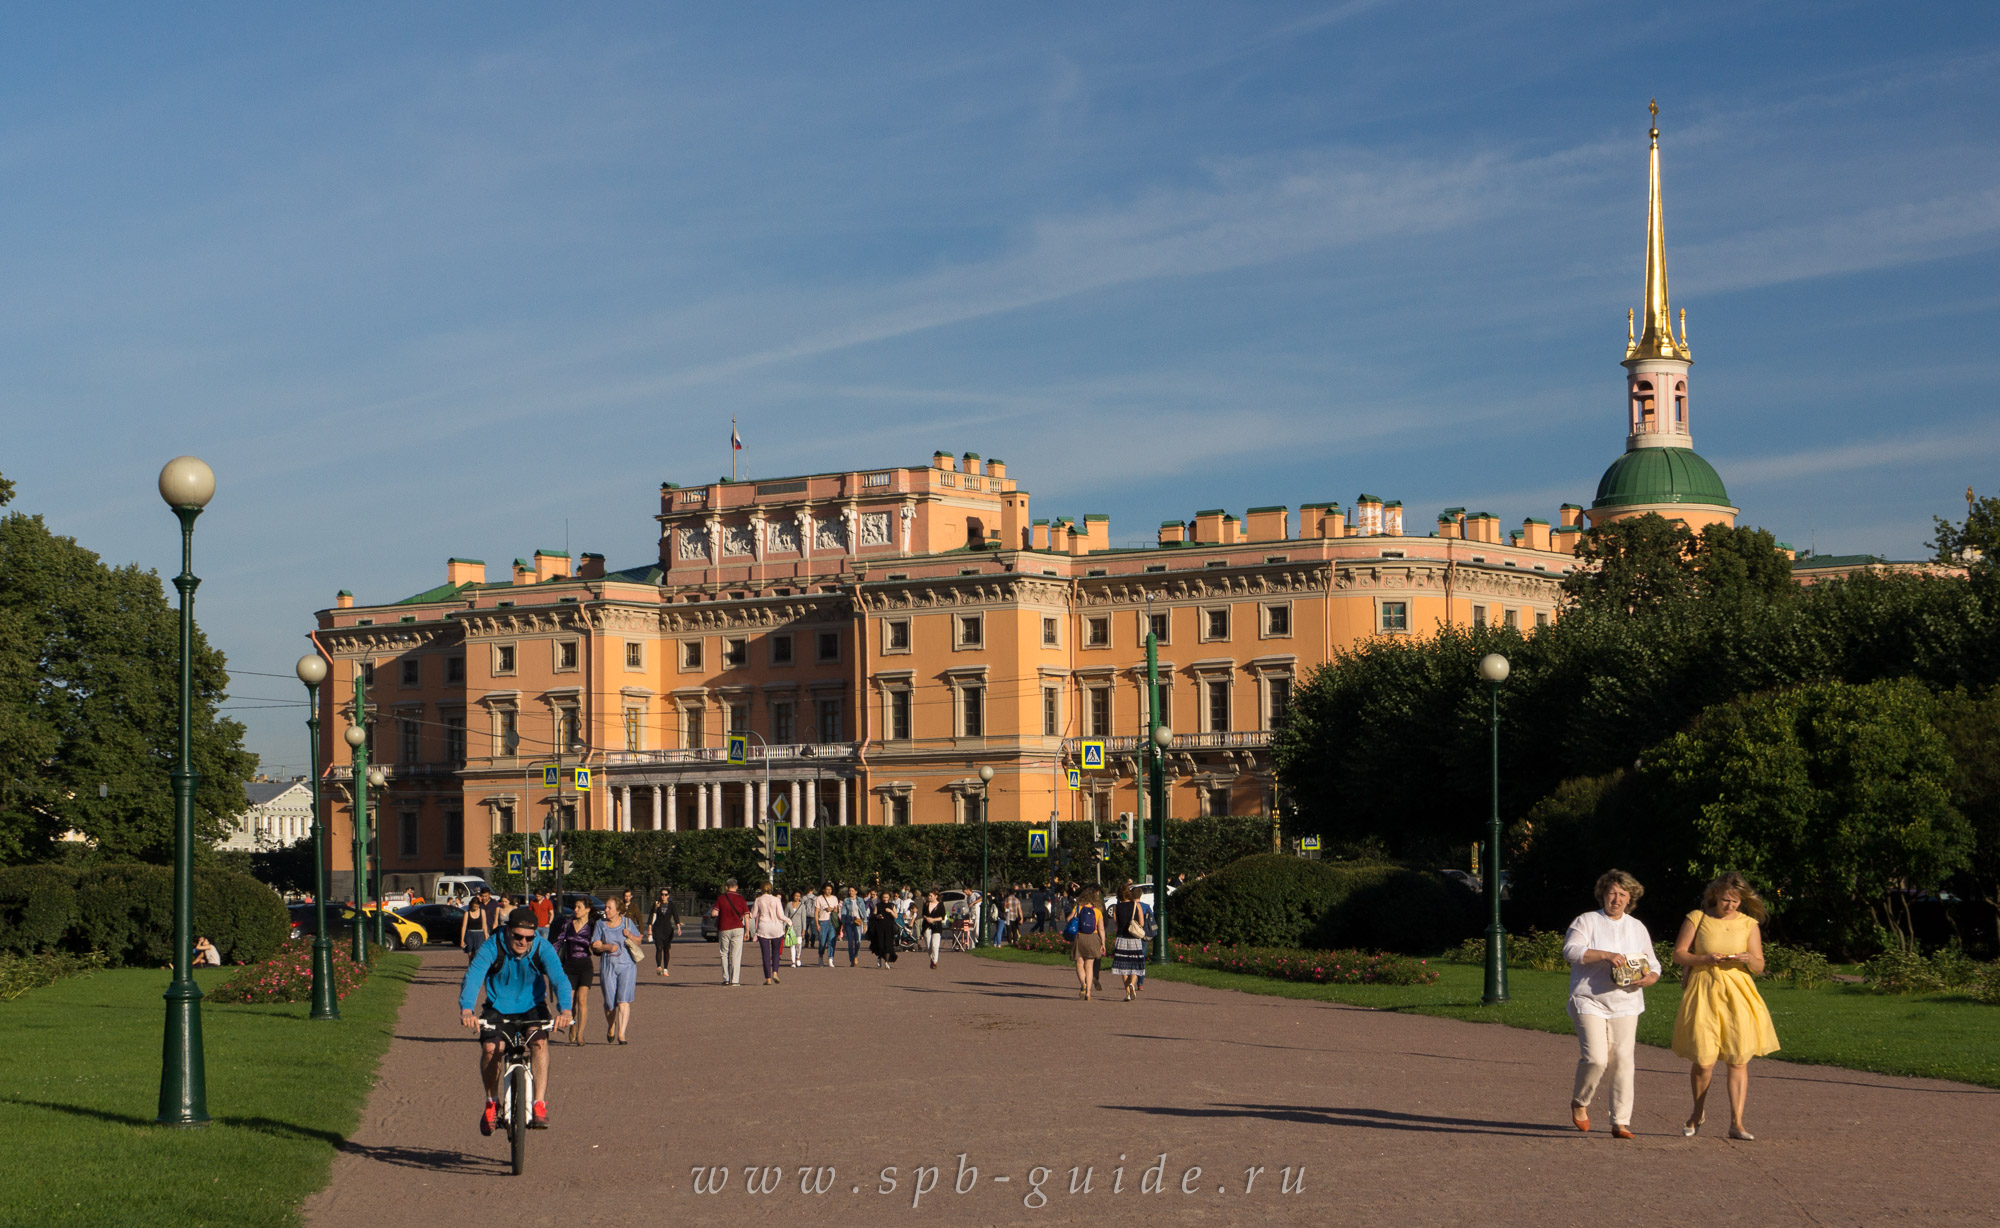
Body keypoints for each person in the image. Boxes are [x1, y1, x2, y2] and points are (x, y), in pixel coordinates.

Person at [1672, 871, 1780, 1140]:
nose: (1729, 905)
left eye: (1734, 901)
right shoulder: (1697, 918)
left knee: (1738, 1058)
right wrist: (1705, 958)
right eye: (1724, 900)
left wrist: (1747, 958)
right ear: (1715, 896)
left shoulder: (1748, 924)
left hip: (1738, 993)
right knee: (1704, 1061)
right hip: (1704, 990)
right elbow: (1679, 955)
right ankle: (1697, 1113)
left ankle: (1737, 1123)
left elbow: (1759, 965)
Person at [1562, 869, 1663, 1140]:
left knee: (1623, 1060)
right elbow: (1571, 951)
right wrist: (1605, 955)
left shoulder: (1636, 926)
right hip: (1589, 998)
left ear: (1630, 898)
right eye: (1611, 893)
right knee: (1596, 1058)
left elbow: (1652, 963)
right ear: (1602, 895)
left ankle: (1620, 1121)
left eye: (1622, 894)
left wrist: (1651, 977)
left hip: (1626, 1001)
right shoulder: (1587, 921)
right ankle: (1580, 1102)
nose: (1616, 899)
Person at [459, 906, 573, 1133]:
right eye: (517, 936)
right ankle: (492, 1102)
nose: (523, 942)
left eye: (528, 938)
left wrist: (566, 1010)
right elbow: (473, 976)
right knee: (492, 1048)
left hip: (532, 1007)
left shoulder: (542, 947)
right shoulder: (492, 945)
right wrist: (467, 1010)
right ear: (508, 930)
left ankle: (539, 1103)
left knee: (539, 1043)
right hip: (498, 1007)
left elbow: (559, 978)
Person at [591, 894, 642, 1044]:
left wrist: (630, 935)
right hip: (608, 966)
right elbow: (595, 945)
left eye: (609, 907)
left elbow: (639, 940)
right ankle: (611, 1026)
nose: (606, 910)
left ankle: (622, 1034)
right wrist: (607, 947)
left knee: (623, 1000)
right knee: (609, 1003)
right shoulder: (600, 925)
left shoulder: (627, 922)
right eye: (606, 907)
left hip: (627, 965)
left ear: (618, 910)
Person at [550, 896, 596, 1045]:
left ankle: (581, 1034)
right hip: (569, 966)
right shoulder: (568, 923)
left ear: (587, 909)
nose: (575, 910)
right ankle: (573, 1026)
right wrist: (549, 956)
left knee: (582, 999)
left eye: (579, 907)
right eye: (575, 907)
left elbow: (598, 944)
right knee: (570, 1001)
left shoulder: (593, 926)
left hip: (585, 966)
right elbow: (558, 942)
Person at [1110, 884, 1148, 1000]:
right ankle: (1132, 984)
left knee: (1123, 967)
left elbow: (1117, 924)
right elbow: (1141, 923)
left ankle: (1127, 993)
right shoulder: (1136, 905)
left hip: (1121, 939)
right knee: (1135, 965)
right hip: (1134, 939)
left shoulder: (1117, 907)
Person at [1067, 888, 1105, 1001]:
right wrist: (1103, 943)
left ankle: (1083, 983)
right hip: (1093, 938)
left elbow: (1069, 919)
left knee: (1079, 964)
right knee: (1089, 966)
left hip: (1080, 937)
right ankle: (1088, 992)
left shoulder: (1078, 908)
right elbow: (1101, 929)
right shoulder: (1097, 911)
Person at [710, 878, 750, 987]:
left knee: (724, 953)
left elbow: (714, 913)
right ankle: (735, 980)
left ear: (726, 887)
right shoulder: (741, 899)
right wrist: (747, 931)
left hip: (724, 928)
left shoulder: (721, 898)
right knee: (736, 954)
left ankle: (726, 978)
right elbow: (747, 916)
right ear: (736, 887)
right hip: (738, 928)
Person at [749, 882, 789, 985]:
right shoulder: (776, 900)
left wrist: (746, 913)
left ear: (762, 889)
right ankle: (775, 972)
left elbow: (753, 915)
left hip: (763, 928)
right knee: (776, 952)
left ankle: (768, 978)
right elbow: (781, 915)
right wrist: (789, 921)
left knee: (765, 954)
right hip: (776, 928)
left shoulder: (758, 900)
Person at [460, 886, 503, 964]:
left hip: (491, 928)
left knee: (489, 949)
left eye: (486, 896)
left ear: (489, 895)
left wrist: (495, 924)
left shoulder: (494, 903)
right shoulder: (479, 904)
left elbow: (496, 915)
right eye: (482, 896)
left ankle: (489, 964)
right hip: (481, 930)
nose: (484, 898)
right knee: (474, 952)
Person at [651, 887, 680, 978]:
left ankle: (666, 968)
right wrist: (649, 928)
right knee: (659, 947)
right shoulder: (656, 904)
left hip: (667, 929)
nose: (663, 896)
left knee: (666, 949)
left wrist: (678, 927)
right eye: (662, 894)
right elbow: (652, 916)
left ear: (668, 895)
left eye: (665, 894)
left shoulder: (671, 905)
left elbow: (675, 916)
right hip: (657, 928)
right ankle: (659, 966)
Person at [866, 896, 901, 968]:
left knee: (888, 945)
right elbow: (874, 915)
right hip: (880, 927)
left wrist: (891, 911)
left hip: (889, 927)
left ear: (889, 897)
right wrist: (878, 916)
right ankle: (879, 958)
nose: (885, 898)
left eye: (887, 897)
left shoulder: (891, 905)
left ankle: (886, 962)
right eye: (884, 897)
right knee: (880, 944)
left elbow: (896, 916)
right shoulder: (878, 905)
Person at [839, 886, 869, 967]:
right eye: (850, 891)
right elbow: (843, 913)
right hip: (849, 922)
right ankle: (852, 959)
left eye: (852, 891)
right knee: (850, 942)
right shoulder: (846, 900)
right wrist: (843, 923)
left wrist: (865, 923)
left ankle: (856, 955)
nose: (851, 892)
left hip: (857, 922)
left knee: (858, 941)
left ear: (856, 892)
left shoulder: (860, 900)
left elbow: (863, 912)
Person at [813, 884, 841, 967]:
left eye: (830, 889)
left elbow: (836, 909)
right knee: (822, 941)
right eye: (827, 889)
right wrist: (817, 923)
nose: (829, 891)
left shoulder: (834, 898)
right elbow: (816, 912)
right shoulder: (819, 899)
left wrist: (832, 909)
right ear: (823, 890)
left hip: (832, 921)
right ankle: (820, 956)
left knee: (831, 941)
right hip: (822, 921)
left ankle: (830, 959)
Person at [919, 890, 948, 969]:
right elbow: (923, 914)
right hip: (927, 925)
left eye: (931, 896)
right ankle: (932, 958)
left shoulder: (940, 905)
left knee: (935, 945)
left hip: (936, 926)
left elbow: (942, 916)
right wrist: (927, 918)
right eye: (929, 896)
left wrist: (933, 919)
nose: (929, 897)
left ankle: (934, 961)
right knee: (928, 945)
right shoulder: (926, 904)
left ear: (936, 896)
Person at [785, 890, 811, 969]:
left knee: (799, 944)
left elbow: (803, 918)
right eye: (796, 896)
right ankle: (793, 961)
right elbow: (785, 916)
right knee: (792, 945)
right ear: (793, 896)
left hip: (799, 928)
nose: (797, 897)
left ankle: (798, 957)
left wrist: (804, 929)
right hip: (790, 928)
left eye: (799, 896)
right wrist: (784, 927)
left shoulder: (802, 906)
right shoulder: (789, 905)